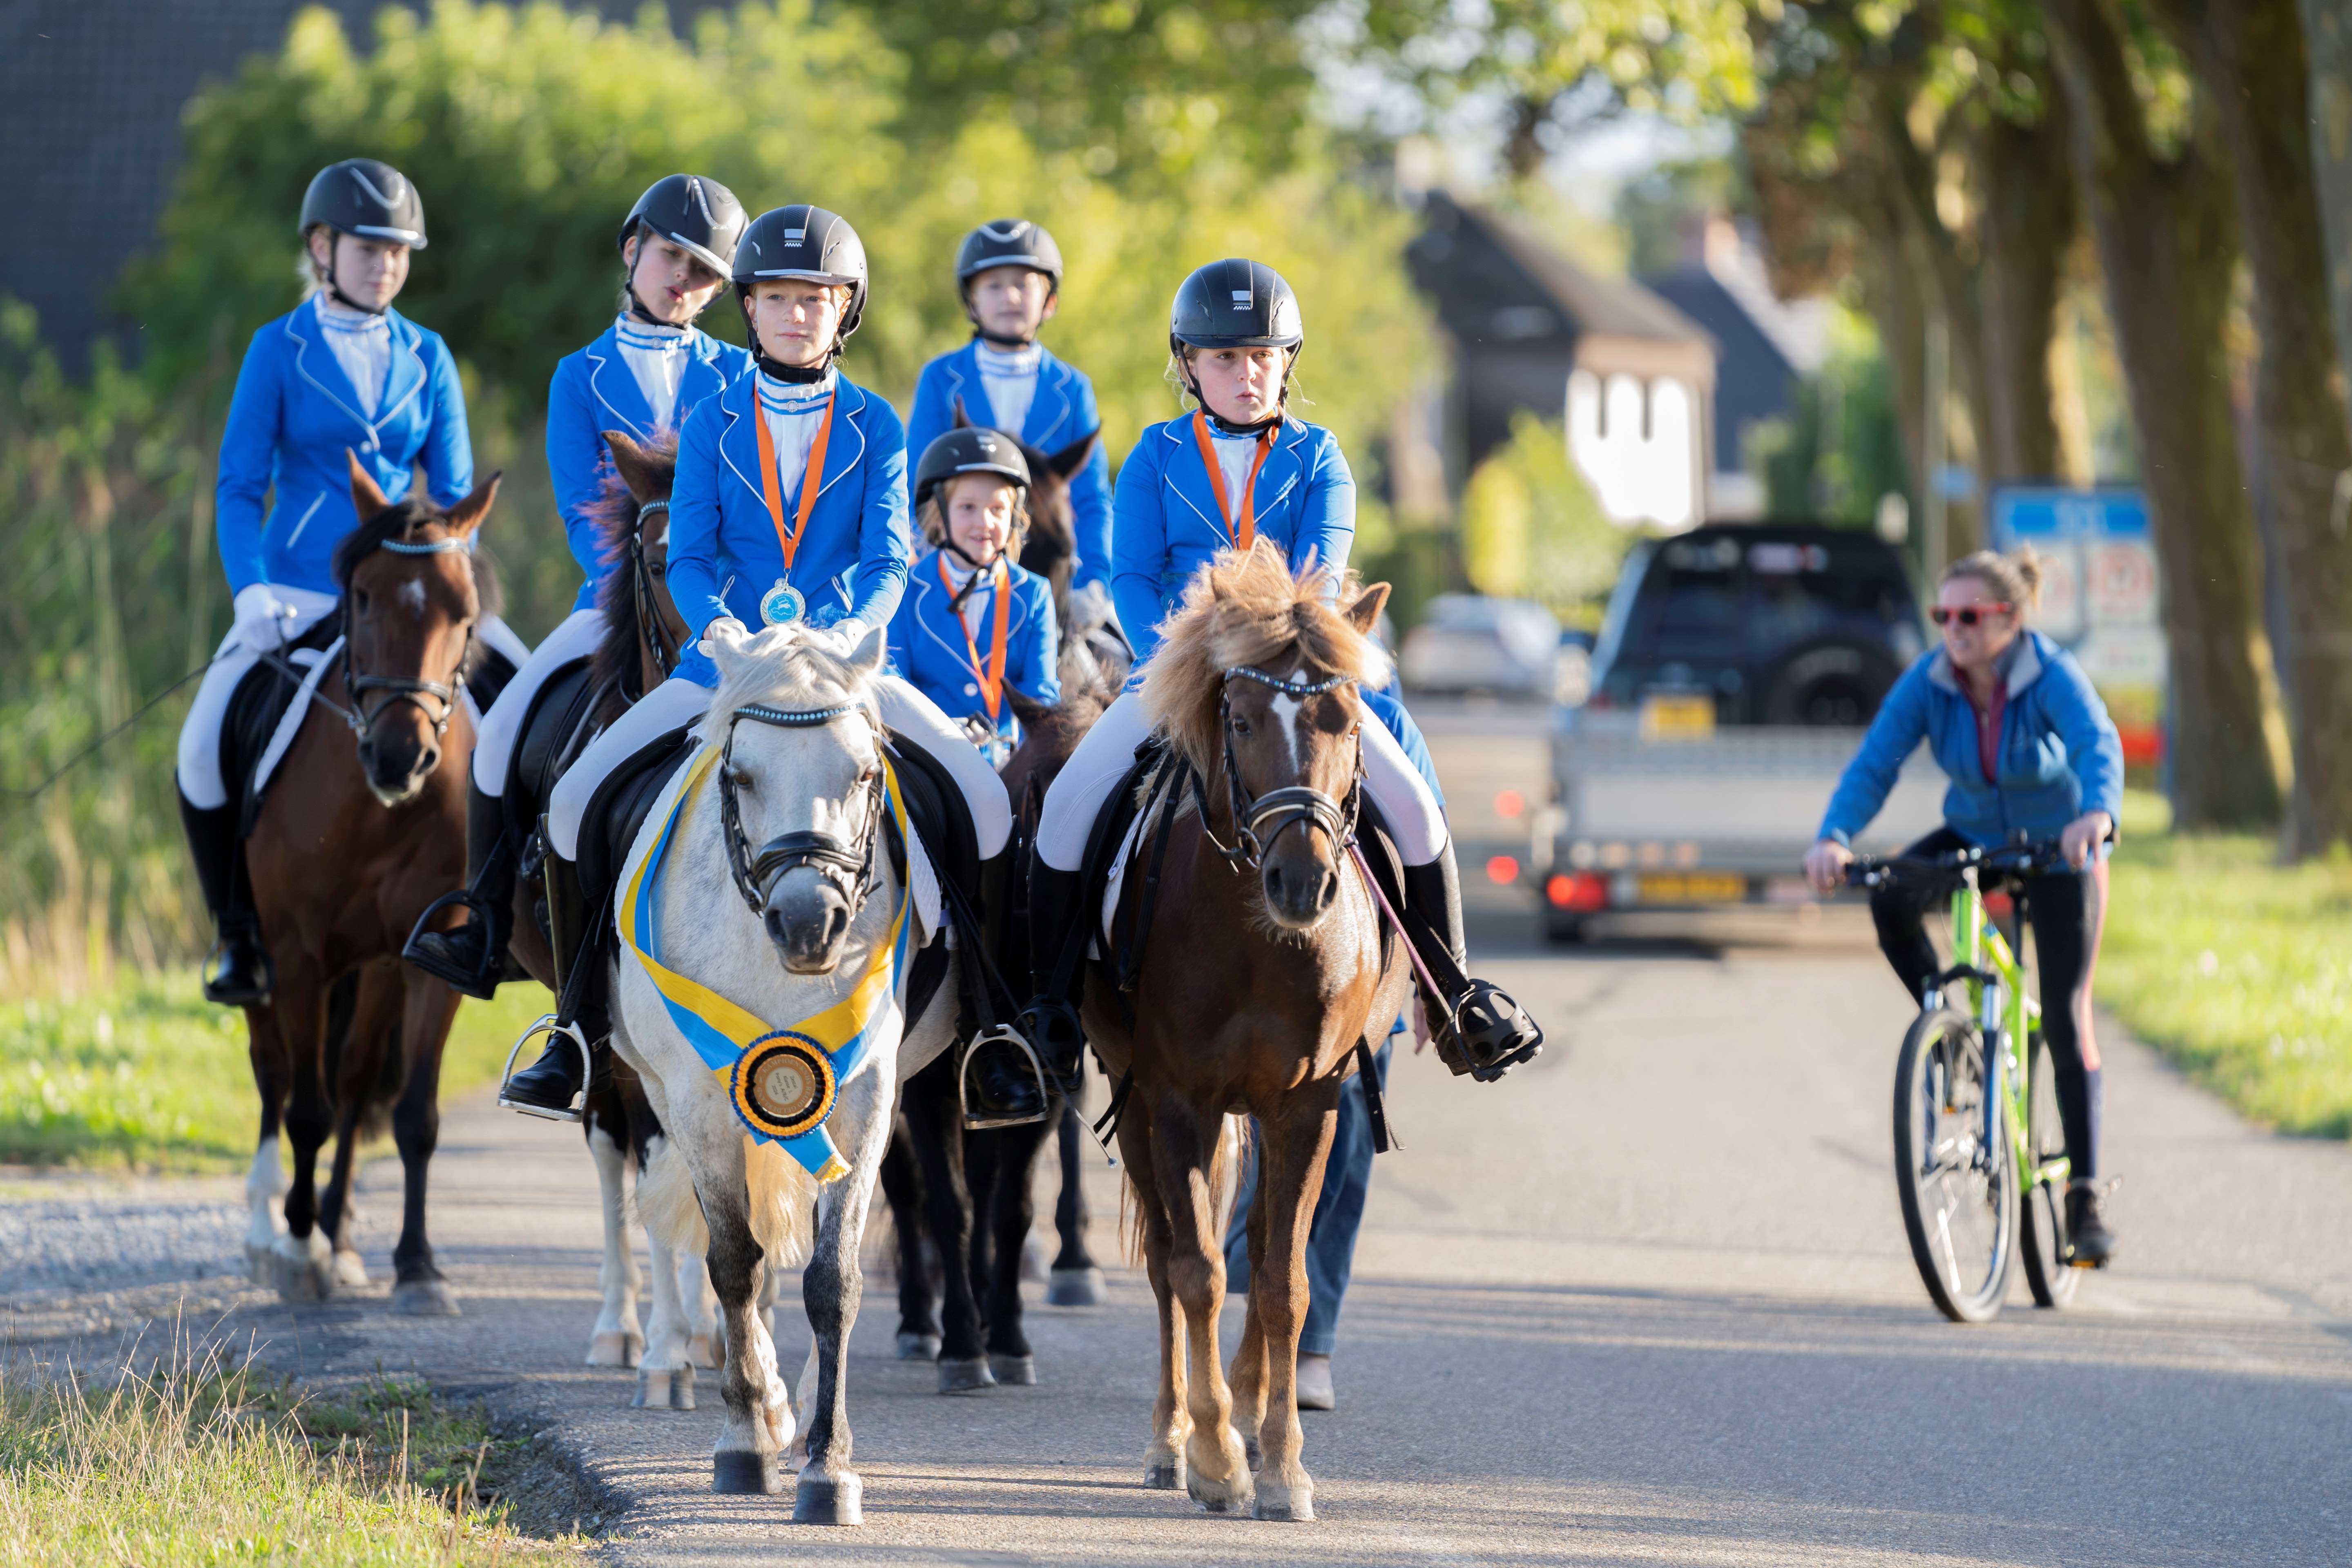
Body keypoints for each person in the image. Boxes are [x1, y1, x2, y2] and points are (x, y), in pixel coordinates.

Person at [498, 203, 1011, 1118]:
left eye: (815, 298)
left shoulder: (876, 422)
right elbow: (690, 557)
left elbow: (888, 558)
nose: (795, 314)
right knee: (573, 800)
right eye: (776, 297)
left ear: (845, 309)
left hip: (839, 663)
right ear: (749, 306)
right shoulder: (712, 420)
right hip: (726, 666)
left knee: (981, 796)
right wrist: (719, 631)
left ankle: (991, 1025)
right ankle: (576, 1027)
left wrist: (854, 630)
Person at [1006, 258, 1541, 1101]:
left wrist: (1265, 657)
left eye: (1261, 355)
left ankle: (1453, 993)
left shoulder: (1320, 457)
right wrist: (1189, 660)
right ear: (1188, 364)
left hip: (1296, 681)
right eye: (1225, 357)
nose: (1245, 372)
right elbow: (1133, 576)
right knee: (1070, 803)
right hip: (1177, 675)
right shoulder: (1151, 456)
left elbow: (1318, 585)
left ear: (1285, 361)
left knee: (1413, 805)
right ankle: (1048, 1008)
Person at [177, 157, 522, 1006]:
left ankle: (499, 914)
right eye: (369, 249)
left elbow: (454, 493)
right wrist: (250, 590)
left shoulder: (428, 354)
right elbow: (238, 486)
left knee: (521, 705)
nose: (385, 265)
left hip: (406, 600)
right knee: (200, 747)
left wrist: (450, 590)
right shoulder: (277, 348)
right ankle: (237, 933)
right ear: (322, 248)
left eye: (398, 251)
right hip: (297, 587)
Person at [405, 174, 752, 997]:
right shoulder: (577, 376)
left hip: (726, 608)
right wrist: (640, 597)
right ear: (633, 249)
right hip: (613, 603)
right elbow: (582, 514)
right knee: (499, 736)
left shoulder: (740, 374)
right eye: (671, 258)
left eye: (704, 272)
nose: (684, 280)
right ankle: (485, 921)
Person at [1803, 548, 2123, 1264]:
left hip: (2059, 846)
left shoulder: (2049, 673)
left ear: (2009, 618)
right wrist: (1833, 836)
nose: (1953, 628)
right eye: (1942, 614)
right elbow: (1876, 761)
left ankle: (2084, 1197)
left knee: (2066, 1015)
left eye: (1969, 616)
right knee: (1890, 894)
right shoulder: (1929, 680)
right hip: (1975, 836)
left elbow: (2094, 741)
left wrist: (2096, 814)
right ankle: (1949, 1031)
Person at [906, 220, 1116, 627]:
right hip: (958, 566)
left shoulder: (1074, 387)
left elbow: (1092, 498)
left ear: (1049, 300)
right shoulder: (939, 379)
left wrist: (1094, 582)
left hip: (1050, 575)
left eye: (1024, 284)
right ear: (971, 301)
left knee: (1121, 657)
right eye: (994, 285)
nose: (1011, 296)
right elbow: (918, 487)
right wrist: (934, 567)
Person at [887, 427, 1061, 770]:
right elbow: (893, 681)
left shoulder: (1034, 593)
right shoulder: (905, 589)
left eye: (998, 509)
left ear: (1014, 516)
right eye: (967, 507)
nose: (984, 522)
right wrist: (940, 733)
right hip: (926, 764)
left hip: (1010, 765)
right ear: (940, 514)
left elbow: (1041, 693)